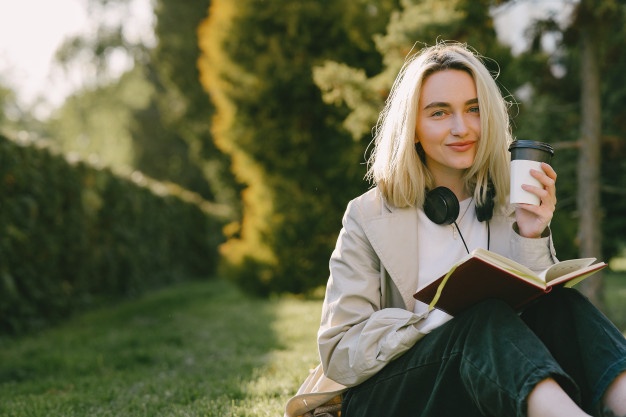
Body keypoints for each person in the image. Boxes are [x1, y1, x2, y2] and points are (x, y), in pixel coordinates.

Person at [284, 42, 626, 417]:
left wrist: (531, 232)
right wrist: (436, 321)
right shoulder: (367, 215)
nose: (461, 128)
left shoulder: (505, 199)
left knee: (562, 306)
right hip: (391, 396)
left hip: (484, 380)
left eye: (473, 109)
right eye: (439, 113)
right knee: (481, 320)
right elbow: (339, 351)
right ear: (412, 127)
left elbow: (534, 316)